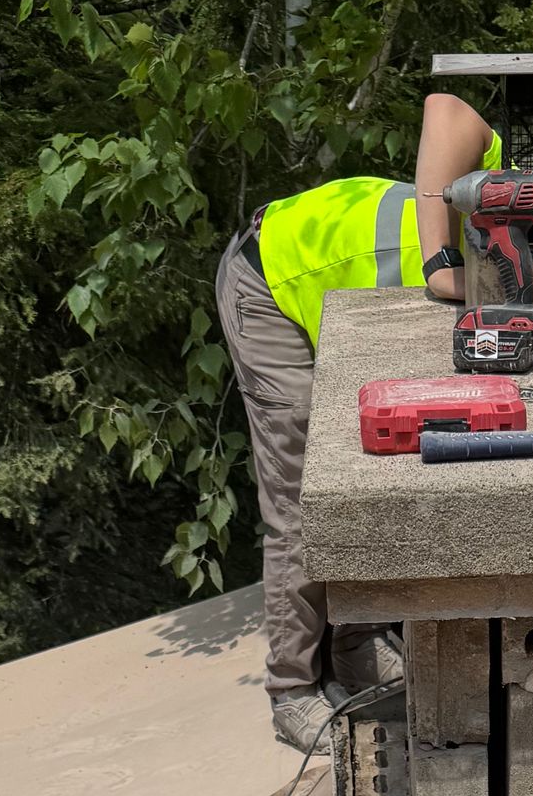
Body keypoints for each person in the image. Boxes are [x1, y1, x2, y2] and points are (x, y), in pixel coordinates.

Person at [214, 92, 503, 749]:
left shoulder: (509, 257)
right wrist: (440, 266)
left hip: (351, 309)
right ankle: (291, 690)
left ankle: (356, 642)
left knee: (373, 466)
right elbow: (445, 108)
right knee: (304, 495)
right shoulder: (479, 196)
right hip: (272, 281)